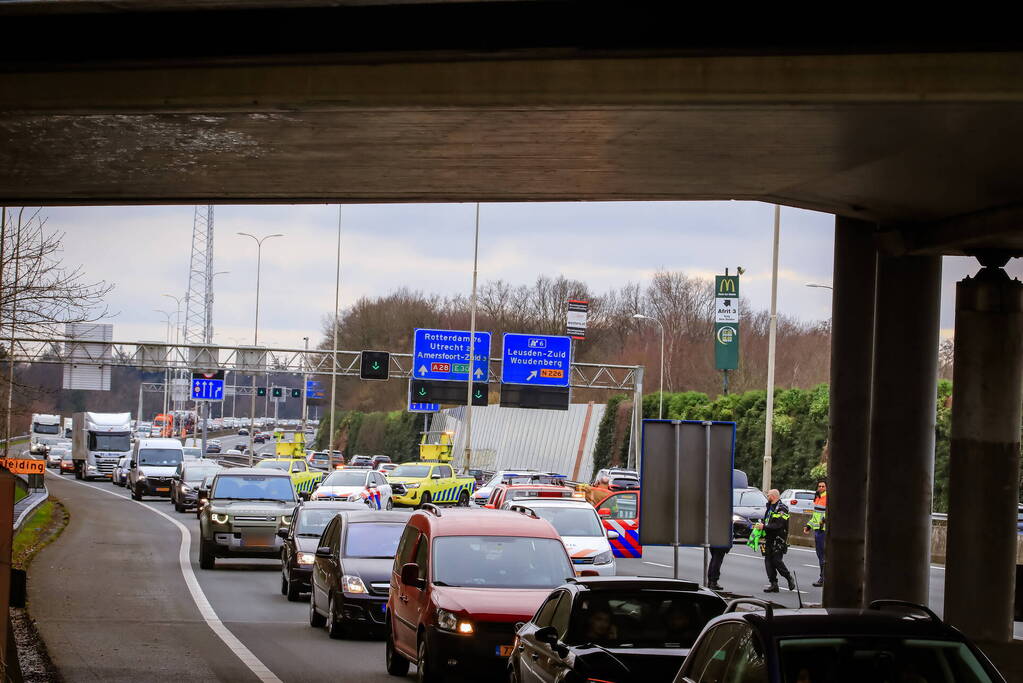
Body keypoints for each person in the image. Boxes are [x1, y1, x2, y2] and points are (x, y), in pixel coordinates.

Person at [755, 489, 795, 593]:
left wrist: (764, 526)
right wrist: (761, 528)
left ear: (773, 496)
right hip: (768, 538)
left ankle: (788, 577)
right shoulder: (769, 506)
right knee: (768, 561)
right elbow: (768, 520)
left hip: (778, 539)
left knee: (776, 560)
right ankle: (773, 584)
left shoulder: (782, 508)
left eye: (768, 495)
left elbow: (779, 525)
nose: (767, 496)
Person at [803, 478, 827, 587]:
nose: (821, 488)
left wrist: (822, 523)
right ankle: (823, 577)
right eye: (820, 486)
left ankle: (823, 578)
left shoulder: (827, 498)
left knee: (823, 556)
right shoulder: (817, 498)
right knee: (820, 555)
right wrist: (808, 526)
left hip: (823, 530)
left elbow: (826, 515)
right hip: (818, 530)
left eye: (823, 486)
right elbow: (816, 516)